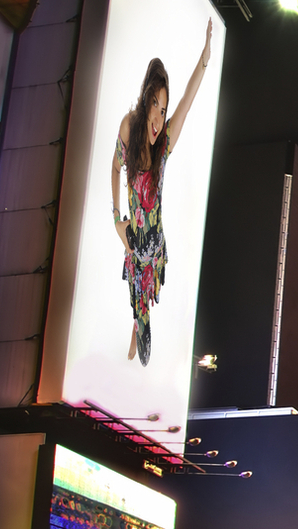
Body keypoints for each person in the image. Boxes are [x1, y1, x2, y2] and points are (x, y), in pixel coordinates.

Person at [112, 21, 212, 365]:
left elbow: (187, 101)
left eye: (163, 110)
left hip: (154, 243)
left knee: (144, 302)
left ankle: (139, 326)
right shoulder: (129, 127)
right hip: (135, 240)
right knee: (138, 301)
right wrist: (116, 221)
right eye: (155, 105)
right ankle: (138, 327)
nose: (159, 117)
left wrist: (204, 59)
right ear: (145, 102)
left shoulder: (164, 146)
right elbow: (114, 168)